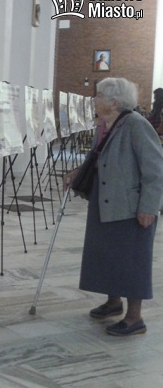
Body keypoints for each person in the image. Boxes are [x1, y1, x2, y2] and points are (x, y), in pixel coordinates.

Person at [63, 77, 163, 336]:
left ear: (114, 102)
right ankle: (113, 302)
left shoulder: (136, 125)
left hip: (130, 206)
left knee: (131, 260)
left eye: (98, 96)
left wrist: (149, 207)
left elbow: (156, 170)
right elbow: (98, 158)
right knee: (108, 255)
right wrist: (78, 172)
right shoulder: (105, 124)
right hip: (105, 201)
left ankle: (135, 318)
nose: (94, 99)